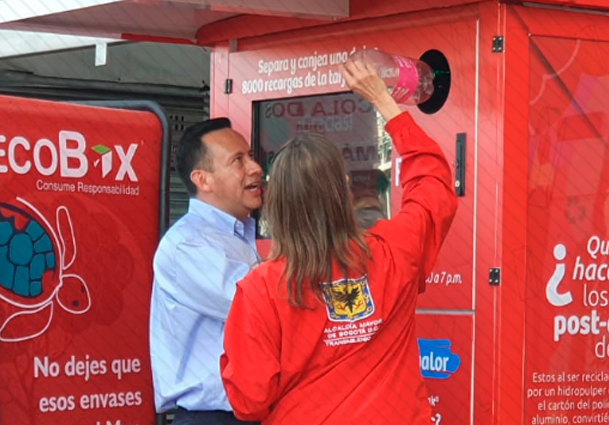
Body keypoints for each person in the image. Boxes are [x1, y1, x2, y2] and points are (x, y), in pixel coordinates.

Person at [219, 58, 459, 424]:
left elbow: (250, 400)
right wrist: (384, 102)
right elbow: (433, 184)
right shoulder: (393, 250)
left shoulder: (260, 290)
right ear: (345, 188)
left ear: (276, 203)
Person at [150, 117, 264, 425]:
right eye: (238, 161)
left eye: (251, 156)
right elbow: (262, 307)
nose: (255, 168)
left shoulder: (248, 233)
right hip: (213, 417)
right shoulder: (187, 245)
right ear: (203, 180)